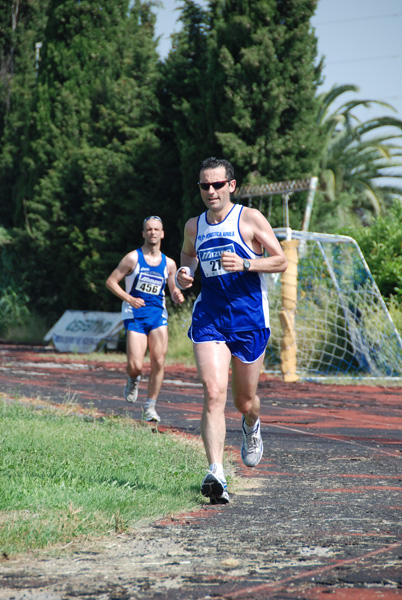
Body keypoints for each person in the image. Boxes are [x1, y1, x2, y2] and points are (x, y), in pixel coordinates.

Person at [176, 158, 288, 504]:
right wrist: (183, 273)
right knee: (213, 391)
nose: (210, 191)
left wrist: (246, 263)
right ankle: (216, 473)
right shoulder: (194, 225)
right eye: (204, 186)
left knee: (244, 401)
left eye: (217, 185)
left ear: (231, 185)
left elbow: (281, 260)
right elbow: (187, 257)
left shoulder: (249, 218)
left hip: (249, 320)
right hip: (210, 318)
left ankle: (252, 423)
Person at [106, 216, 184, 422]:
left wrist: (177, 294)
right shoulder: (132, 258)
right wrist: (129, 298)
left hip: (158, 316)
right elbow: (111, 282)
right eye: (149, 229)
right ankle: (133, 379)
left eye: (157, 229)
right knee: (136, 365)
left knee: (158, 361)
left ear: (163, 233)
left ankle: (150, 407)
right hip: (135, 316)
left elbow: (173, 289)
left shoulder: (169, 263)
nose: (153, 232)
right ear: (143, 233)